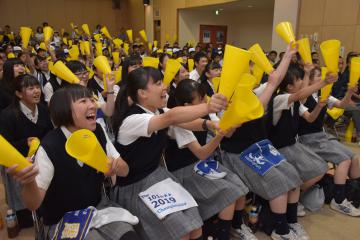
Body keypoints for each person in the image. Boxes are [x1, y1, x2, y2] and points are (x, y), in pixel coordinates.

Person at [7, 84, 141, 240]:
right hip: (64, 219)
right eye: (83, 101)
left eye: (92, 99)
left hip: (98, 207)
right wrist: (29, 182)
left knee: (129, 236)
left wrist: (116, 166)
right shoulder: (50, 146)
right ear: (65, 110)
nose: (93, 105)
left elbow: (124, 171)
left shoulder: (96, 130)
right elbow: (33, 205)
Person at [111, 67, 228, 240]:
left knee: (194, 224)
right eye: (158, 83)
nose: (165, 86)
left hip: (157, 177)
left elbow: (185, 122)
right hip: (134, 188)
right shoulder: (132, 120)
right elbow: (171, 117)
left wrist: (210, 125)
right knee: (180, 229)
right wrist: (208, 107)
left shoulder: (158, 112)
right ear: (142, 93)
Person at [220, 43, 305, 240]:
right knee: (277, 182)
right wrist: (273, 85)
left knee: (293, 175)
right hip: (237, 154)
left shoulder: (252, 92)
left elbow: (274, 79)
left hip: (260, 148)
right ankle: (280, 230)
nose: (250, 73)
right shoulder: (223, 102)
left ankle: (291, 222)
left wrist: (288, 56)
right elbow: (254, 109)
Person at [165, 79, 249, 240]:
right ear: (187, 106)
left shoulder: (205, 111)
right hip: (185, 171)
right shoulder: (177, 123)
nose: (206, 101)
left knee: (240, 186)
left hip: (202, 165)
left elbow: (226, 132)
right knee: (229, 193)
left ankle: (236, 227)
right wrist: (220, 134)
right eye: (201, 99)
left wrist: (234, 121)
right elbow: (201, 153)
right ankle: (220, 235)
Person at [298, 67, 360, 217]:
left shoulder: (323, 93)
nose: (323, 78)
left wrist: (350, 92)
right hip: (308, 139)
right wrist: (319, 105)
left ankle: (354, 196)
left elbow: (341, 105)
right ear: (311, 79)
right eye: (319, 76)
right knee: (344, 160)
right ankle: (338, 200)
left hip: (322, 136)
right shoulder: (303, 97)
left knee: (355, 158)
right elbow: (310, 118)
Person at [0, 74, 53, 229]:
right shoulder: (7, 115)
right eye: (30, 88)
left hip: (41, 160)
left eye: (37, 87)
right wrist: (25, 142)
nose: (36, 91)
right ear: (18, 94)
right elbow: (5, 146)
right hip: (20, 163)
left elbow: (49, 133)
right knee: (26, 212)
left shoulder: (43, 110)